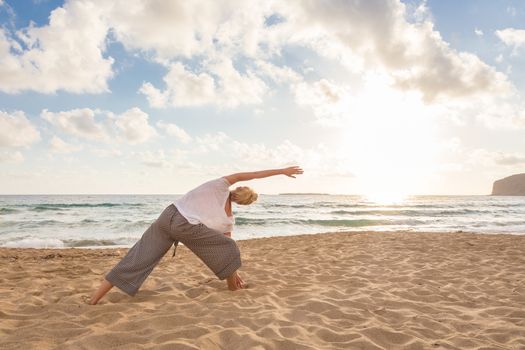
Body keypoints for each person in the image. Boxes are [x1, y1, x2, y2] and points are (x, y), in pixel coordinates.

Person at [89, 166, 304, 305]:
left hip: (168, 215)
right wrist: (233, 271)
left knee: (138, 257)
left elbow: (253, 174)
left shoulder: (220, 184)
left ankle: (94, 299)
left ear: (239, 189)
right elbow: (226, 245)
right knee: (229, 249)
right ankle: (232, 286)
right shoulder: (227, 214)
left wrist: (281, 171)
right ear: (244, 203)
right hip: (184, 227)